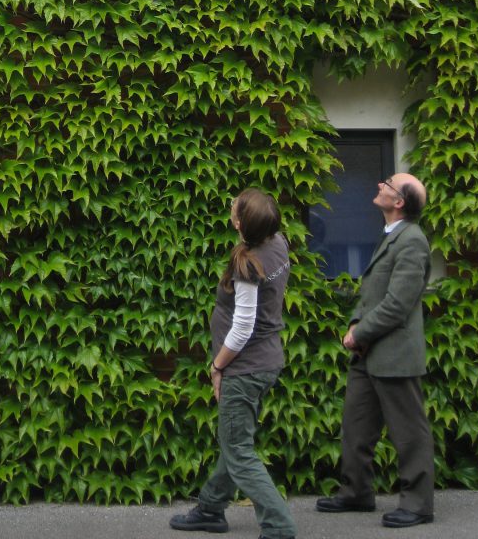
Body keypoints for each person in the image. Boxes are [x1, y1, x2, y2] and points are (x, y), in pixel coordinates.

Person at [170, 188, 295, 539]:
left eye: (235, 207)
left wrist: (218, 366)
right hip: (266, 361)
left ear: (239, 222)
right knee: (235, 440)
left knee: (239, 450)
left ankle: (279, 527)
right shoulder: (278, 244)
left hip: (245, 368)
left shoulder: (248, 265)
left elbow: (242, 328)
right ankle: (211, 508)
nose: (231, 205)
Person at [316, 172, 434, 529]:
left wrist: (359, 333)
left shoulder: (412, 241)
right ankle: (356, 492)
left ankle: (418, 505)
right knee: (356, 425)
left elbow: (399, 304)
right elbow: (372, 291)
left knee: (409, 433)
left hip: (394, 353)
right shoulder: (390, 236)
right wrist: (355, 322)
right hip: (369, 351)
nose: (380, 184)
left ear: (399, 202)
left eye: (387, 183)